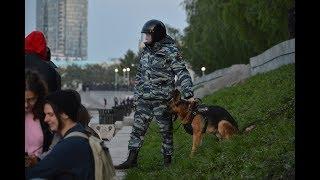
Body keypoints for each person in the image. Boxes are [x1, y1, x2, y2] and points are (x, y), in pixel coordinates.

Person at [114, 19, 194, 169]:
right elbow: (139, 76)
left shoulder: (170, 51)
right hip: (144, 100)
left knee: (166, 132)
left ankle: (167, 163)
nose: (145, 38)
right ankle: (132, 160)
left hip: (163, 101)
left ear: (156, 35)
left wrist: (189, 94)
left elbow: (182, 72)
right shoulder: (145, 52)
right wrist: (137, 97)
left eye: (147, 35)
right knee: (137, 130)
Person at [25, 90, 94, 180]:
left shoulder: (69, 145)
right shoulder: (80, 133)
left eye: (50, 114)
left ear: (64, 114)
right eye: (45, 115)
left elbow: (34, 173)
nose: (45, 119)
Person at [25, 70, 53, 167]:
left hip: (40, 169)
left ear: (39, 96)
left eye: (31, 99)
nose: (26, 105)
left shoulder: (46, 115)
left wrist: (39, 160)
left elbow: (55, 145)